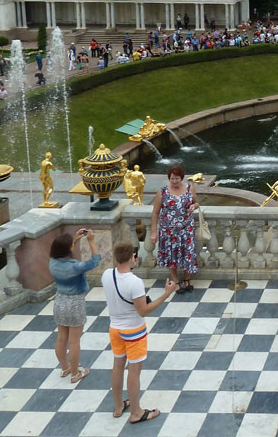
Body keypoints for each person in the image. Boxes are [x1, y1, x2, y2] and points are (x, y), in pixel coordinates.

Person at [102, 242, 177, 423]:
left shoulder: (107, 275)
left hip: (115, 328)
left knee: (118, 366)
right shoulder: (134, 282)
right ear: (131, 258)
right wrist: (166, 294)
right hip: (134, 331)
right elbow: (143, 310)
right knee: (134, 371)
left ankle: (119, 406)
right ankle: (136, 412)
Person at [48, 228, 100, 383]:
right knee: (74, 341)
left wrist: (75, 240)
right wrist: (90, 241)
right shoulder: (75, 266)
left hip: (59, 302)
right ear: (67, 250)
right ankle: (76, 374)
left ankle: (65, 368)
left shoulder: (52, 263)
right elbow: (96, 260)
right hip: (75, 303)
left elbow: (64, 252)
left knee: (61, 338)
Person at [149, 165, 199, 293]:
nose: (175, 181)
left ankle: (187, 279)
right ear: (169, 178)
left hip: (186, 229)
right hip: (168, 232)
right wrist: (154, 232)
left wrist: (194, 206)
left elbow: (197, 202)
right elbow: (155, 213)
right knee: (171, 257)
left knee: (188, 254)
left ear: (181, 178)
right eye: (172, 178)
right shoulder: (162, 192)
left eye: (177, 178)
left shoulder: (189, 188)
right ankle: (176, 281)